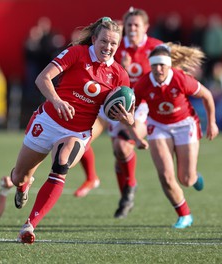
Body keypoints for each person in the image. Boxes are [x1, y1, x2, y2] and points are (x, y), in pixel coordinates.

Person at [11, 17, 134, 244]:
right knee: (19, 175)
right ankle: (24, 183)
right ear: (94, 39)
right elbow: (42, 78)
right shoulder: (77, 53)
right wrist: (57, 101)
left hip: (77, 132)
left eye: (113, 44)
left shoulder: (119, 74)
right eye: (104, 41)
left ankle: (30, 225)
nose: (108, 47)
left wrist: (127, 119)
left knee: (61, 162)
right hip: (48, 121)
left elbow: (129, 114)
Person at [75, 7, 162, 222]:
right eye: (129, 25)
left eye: (136, 25)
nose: (132, 29)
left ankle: (129, 187)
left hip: (139, 106)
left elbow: (167, 73)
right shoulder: (115, 44)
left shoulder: (155, 48)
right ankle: (92, 177)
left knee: (121, 147)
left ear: (145, 27)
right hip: (109, 100)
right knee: (79, 138)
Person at [130, 43, 219, 228]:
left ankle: (194, 177)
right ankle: (184, 215)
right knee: (166, 176)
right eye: (155, 65)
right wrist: (135, 136)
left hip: (184, 124)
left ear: (169, 65)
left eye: (162, 64)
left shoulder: (180, 79)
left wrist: (211, 123)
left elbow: (207, 95)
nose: (159, 69)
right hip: (158, 126)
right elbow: (130, 112)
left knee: (185, 179)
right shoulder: (143, 84)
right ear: (150, 66)